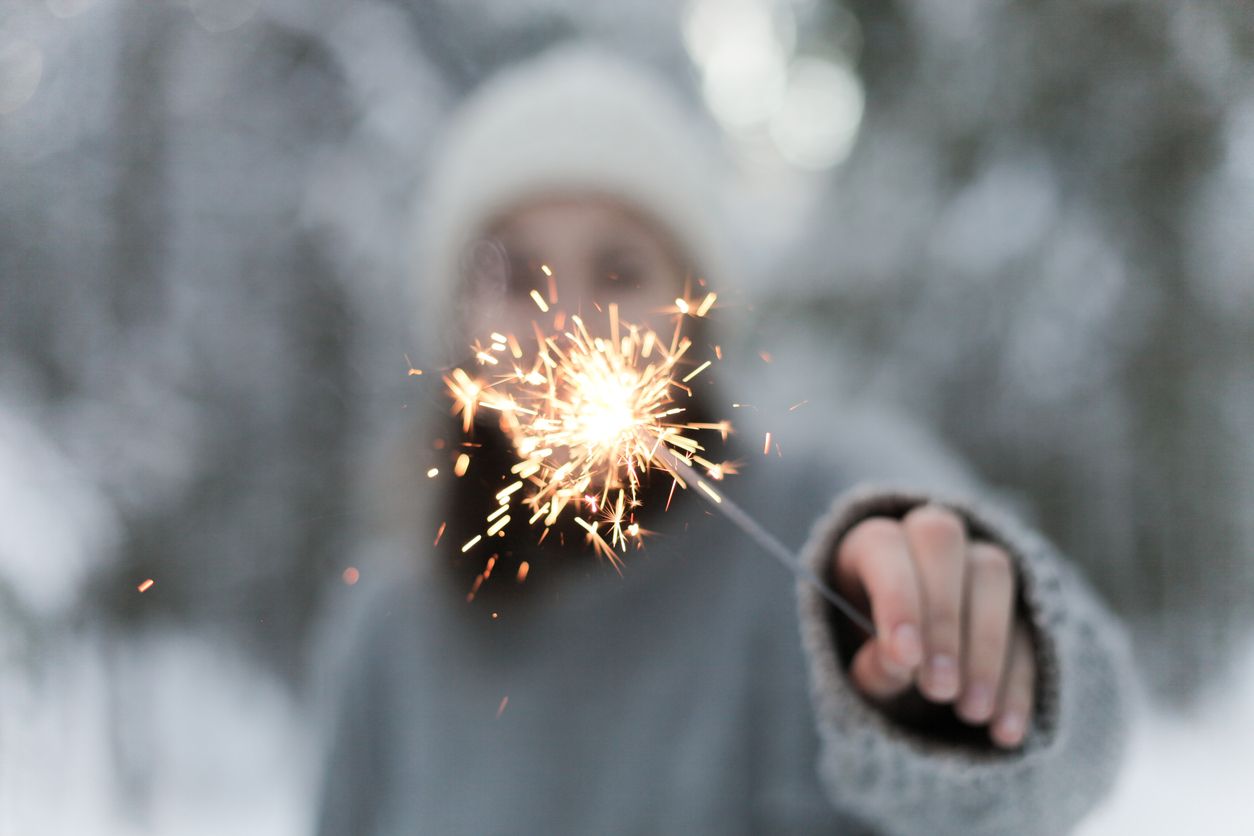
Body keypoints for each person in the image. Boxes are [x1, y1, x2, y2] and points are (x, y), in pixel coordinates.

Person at [315, 43, 1132, 835]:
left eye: (618, 272)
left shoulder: (826, 512)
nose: (565, 328)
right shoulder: (389, 633)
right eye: (519, 279)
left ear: (693, 312)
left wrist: (965, 659)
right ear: (458, 330)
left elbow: (1068, 747)